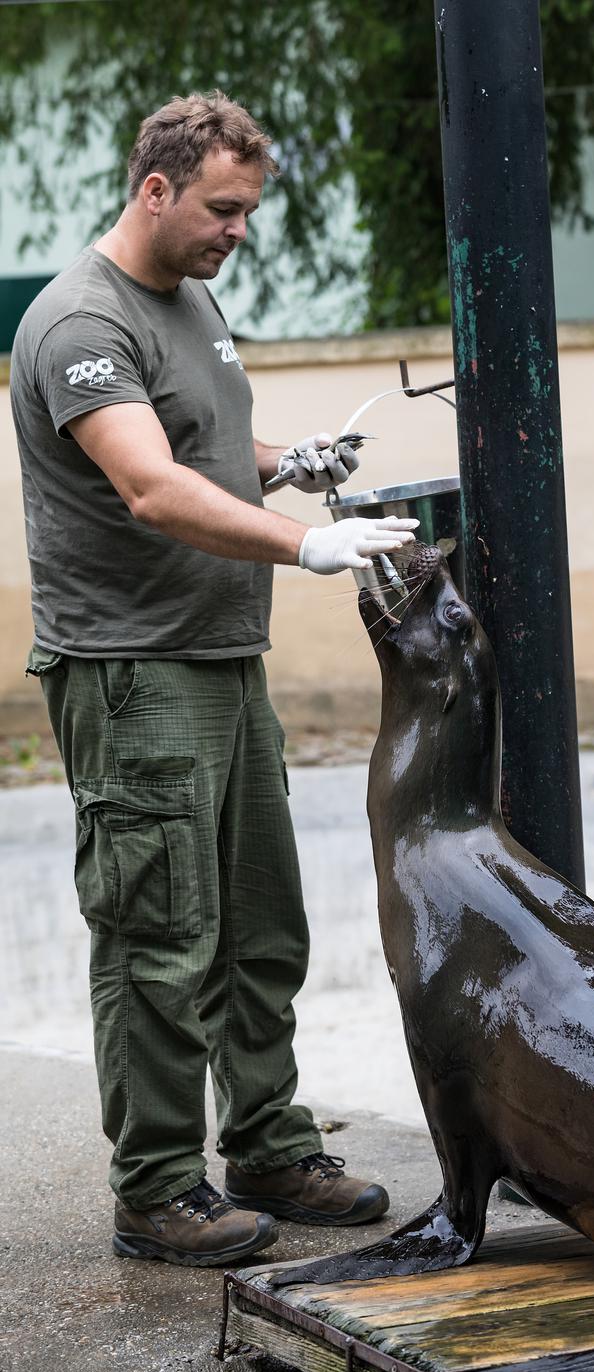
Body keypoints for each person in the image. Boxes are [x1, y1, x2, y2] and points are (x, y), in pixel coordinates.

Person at [9, 91, 420, 1268]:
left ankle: (268, 1145)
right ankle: (155, 1189)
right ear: (156, 190)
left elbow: (201, 441)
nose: (238, 231)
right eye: (223, 209)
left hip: (224, 659)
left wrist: (290, 463)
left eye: (246, 211)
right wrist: (306, 546)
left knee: (257, 927)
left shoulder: (189, 295)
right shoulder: (80, 323)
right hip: (135, 672)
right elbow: (149, 483)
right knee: (160, 938)